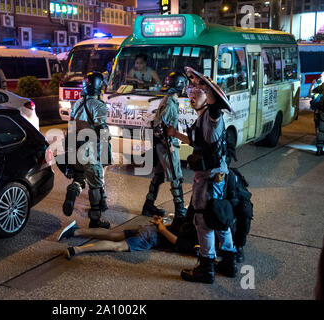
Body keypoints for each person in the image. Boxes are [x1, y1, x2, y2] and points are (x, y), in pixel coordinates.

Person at [167, 67, 237, 284]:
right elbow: (199, 143)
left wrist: (209, 90)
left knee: (203, 220)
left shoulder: (212, 115)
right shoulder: (203, 117)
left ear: (209, 97)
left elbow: (216, 111)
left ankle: (206, 268)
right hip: (213, 176)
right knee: (217, 217)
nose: (192, 96)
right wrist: (175, 133)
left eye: (198, 93)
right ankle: (228, 261)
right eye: (191, 93)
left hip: (209, 178)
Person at [67, 71, 112, 229]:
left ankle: (72, 192)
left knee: (79, 177)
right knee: (96, 184)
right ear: (99, 86)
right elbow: (102, 129)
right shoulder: (99, 106)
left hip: (76, 147)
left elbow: (71, 127)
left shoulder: (78, 103)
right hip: (91, 149)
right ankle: (95, 219)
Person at [141, 71, 187, 219]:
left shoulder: (169, 100)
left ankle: (148, 206)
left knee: (159, 175)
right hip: (167, 146)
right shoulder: (170, 103)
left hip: (162, 145)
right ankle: (180, 211)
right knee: (175, 177)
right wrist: (169, 145)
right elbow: (160, 128)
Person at [57, 215, 198, 259]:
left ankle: (75, 232)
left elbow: (171, 227)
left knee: (112, 235)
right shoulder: (199, 239)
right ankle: (76, 250)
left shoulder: (196, 221)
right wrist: (161, 228)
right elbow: (176, 241)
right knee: (117, 246)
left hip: (149, 230)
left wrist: (160, 224)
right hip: (151, 237)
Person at [309, 72, 324, 156]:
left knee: (321, 131)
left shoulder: (322, 86)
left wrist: (312, 84)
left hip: (322, 111)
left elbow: (311, 92)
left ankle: (319, 149)